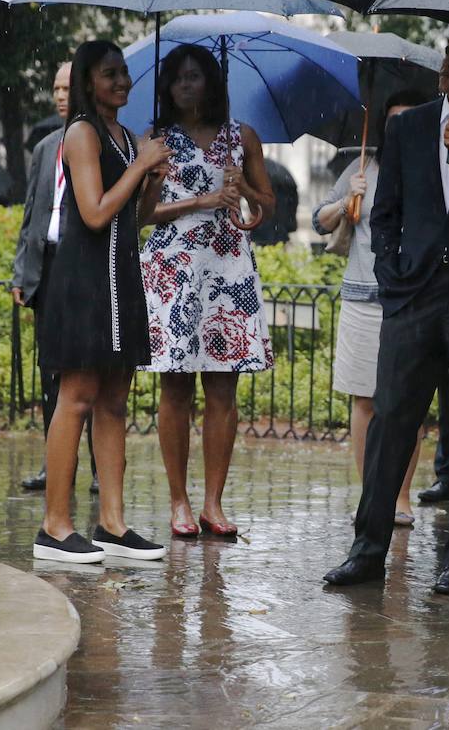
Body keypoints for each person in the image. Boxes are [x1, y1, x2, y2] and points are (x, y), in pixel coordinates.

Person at [323, 27, 449, 595]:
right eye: (448, 51)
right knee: (391, 423)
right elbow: (386, 211)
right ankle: (367, 550)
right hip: (413, 299)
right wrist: (394, 278)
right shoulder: (406, 126)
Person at [32, 40, 172, 564]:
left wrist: (152, 181)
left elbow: (131, 219)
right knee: (79, 394)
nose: (121, 82)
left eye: (125, 73)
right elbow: (92, 214)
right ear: (90, 80)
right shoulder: (82, 133)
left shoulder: (125, 136)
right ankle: (54, 525)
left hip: (121, 278)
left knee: (115, 398)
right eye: (110, 73)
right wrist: (141, 167)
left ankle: (112, 524)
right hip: (84, 279)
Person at [140, 44, 275, 539]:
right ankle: (178, 501)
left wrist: (248, 196)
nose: (186, 86)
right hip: (172, 267)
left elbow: (266, 205)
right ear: (167, 88)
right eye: (178, 78)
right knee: (175, 385)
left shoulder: (243, 137)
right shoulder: (155, 140)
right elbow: (140, 216)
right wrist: (200, 198)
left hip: (227, 268)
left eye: (195, 76)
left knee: (222, 387)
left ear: (212, 82)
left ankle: (212, 503)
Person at [313, 89, 429, 527]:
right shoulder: (362, 168)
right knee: (365, 401)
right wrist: (346, 201)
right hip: (363, 297)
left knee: (408, 404)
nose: (398, 127)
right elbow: (319, 219)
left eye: (408, 119)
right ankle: (371, 496)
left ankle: (400, 496)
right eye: (392, 119)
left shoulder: (430, 171)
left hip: (411, 299)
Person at [13, 61, 98, 494]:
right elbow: (31, 215)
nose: (61, 95)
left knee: (93, 371)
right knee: (53, 373)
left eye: (68, 87)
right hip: (48, 268)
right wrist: (22, 274)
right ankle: (54, 465)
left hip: (85, 265)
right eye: (56, 88)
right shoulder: (46, 147)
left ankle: (101, 469)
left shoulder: (103, 143)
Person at [251, 158, 298, 246]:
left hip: (275, 191)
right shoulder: (265, 166)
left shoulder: (256, 168)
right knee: (277, 230)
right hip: (282, 193)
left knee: (267, 233)